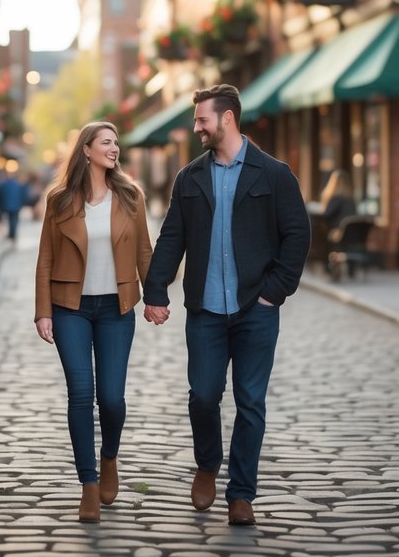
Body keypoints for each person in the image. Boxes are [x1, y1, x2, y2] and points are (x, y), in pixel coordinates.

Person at [142, 84, 310, 527]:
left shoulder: (274, 174)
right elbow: (172, 237)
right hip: (205, 311)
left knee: (250, 401)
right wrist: (155, 290)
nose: (196, 126)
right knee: (202, 396)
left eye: (202, 120)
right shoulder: (189, 177)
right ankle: (207, 464)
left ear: (227, 119)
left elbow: (297, 235)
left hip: (257, 309)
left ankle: (241, 494)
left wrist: (275, 291)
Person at [34, 122, 152, 523]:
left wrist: (155, 298)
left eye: (116, 142)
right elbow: (45, 258)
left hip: (117, 309)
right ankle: (87, 485)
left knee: (112, 399)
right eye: (106, 142)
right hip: (71, 307)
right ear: (86, 150)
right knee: (81, 394)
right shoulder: (60, 200)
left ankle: (109, 458)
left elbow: (144, 252)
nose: (114, 148)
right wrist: (43, 310)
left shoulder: (130, 196)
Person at [0, 171, 28, 242]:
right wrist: (23, 203)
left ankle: (11, 234)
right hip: (16, 205)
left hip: (6, 205)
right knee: (14, 220)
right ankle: (12, 234)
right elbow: (23, 195)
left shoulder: (3, 185)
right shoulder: (18, 185)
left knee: (10, 219)